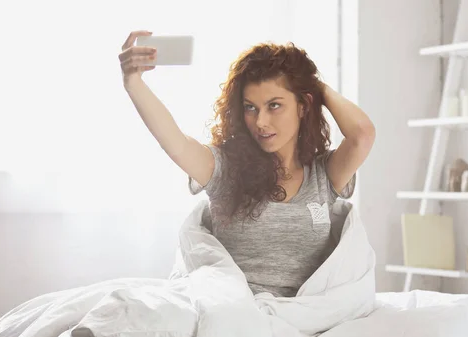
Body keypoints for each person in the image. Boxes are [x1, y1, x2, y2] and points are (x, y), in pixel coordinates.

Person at [118, 30, 376, 298]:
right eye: (250, 107)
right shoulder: (225, 169)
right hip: (235, 316)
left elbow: (363, 134)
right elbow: (176, 143)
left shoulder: (323, 175)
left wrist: (311, 85)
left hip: (303, 319)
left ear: (303, 106)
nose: (261, 122)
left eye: (274, 105)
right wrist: (133, 83)